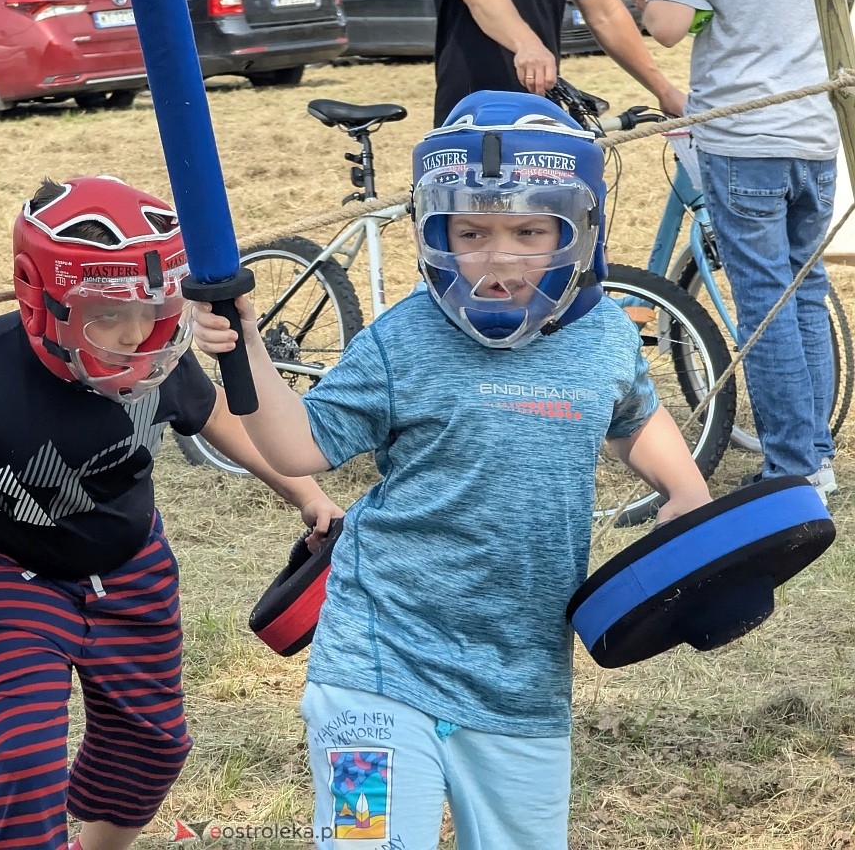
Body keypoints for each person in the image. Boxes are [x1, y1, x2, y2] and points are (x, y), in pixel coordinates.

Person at [191, 91, 713, 849]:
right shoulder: (401, 341)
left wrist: (686, 487)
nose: (498, 257)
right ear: (434, 230)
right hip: (374, 669)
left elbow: (632, 413)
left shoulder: (604, 334)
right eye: (472, 232)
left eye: (530, 231)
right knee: (364, 843)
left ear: (581, 228)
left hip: (522, 687)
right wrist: (246, 348)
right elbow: (298, 447)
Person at [0, 176, 343, 850]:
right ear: (41, 297)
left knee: (152, 748)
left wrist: (306, 494)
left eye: (153, 309)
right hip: (6, 571)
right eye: (108, 314)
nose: (136, 334)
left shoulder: (157, 360)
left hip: (132, 569)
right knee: (26, 754)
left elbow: (218, 419)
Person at [641, 0, 854, 501]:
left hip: (744, 135)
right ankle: (814, 458)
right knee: (803, 293)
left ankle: (792, 467)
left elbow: (666, 25)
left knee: (766, 303)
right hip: (815, 132)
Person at [425, 0, 686, 126]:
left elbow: (605, 13)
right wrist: (527, 44)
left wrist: (664, 91)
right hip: (469, 111)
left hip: (543, 107)